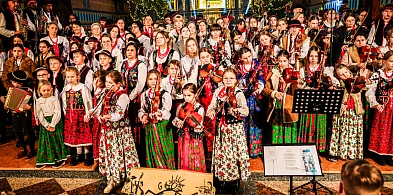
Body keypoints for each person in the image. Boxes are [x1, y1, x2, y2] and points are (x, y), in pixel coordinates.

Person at [86, 70, 140, 193]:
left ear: (118, 84)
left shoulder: (123, 96)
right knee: (111, 154)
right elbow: (99, 107)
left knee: (120, 154)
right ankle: (113, 178)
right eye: (107, 82)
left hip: (120, 132)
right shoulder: (106, 93)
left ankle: (125, 177)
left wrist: (107, 117)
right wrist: (91, 112)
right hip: (108, 131)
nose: (108, 85)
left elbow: (119, 115)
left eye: (111, 83)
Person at [206, 68, 250, 194]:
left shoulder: (238, 93)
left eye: (231, 78)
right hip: (222, 128)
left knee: (233, 155)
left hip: (234, 129)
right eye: (226, 78)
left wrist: (236, 111)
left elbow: (245, 111)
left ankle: (234, 181)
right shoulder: (219, 92)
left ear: (236, 80)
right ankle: (222, 180)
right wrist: (210, 111)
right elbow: (212, 106)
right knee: (222, 154)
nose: (228, 80)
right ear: (222, 80)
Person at [138, 69, 175, 169]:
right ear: (147, 81)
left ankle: (167, 169)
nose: (153, 81)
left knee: (163, 147)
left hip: (162, 125)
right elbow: (142, 109)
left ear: (159, 80)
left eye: (155, 79)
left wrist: (160, 113)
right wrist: (144, 116)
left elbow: (167, 111)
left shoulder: (165, 94)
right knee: (152, 148)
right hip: (150, 126)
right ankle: (154, 169)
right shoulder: (145, 95)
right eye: (150, 79)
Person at [262, 50, 299, 144]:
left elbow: (296, 92)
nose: (282, 63)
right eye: (280, 61)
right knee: (276, 128)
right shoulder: (273, 72)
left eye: (284, 61)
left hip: (289, 105)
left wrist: (295, 83)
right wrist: (274, 93)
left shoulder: (294, 72)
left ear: (288, 61)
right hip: (276, 106)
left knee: (289, 128)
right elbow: (264, 89)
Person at [329, 65, 364, 161]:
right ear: (338, 77)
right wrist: (340, 105)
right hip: (343, 113)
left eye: (346, 72)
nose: (345, 75)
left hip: (354, 112)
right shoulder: (338, 84)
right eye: (342, 75)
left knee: (353, 132)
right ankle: (338, 152)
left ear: (349, 71)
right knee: (341, 131)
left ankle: (352, 153)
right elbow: (335, 99)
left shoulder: (357, 81)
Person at [120, 40, 147, 165]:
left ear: (136, 51)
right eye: (128, 50)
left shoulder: (141, 65)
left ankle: (139, 153)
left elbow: (140, 84)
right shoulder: (123, 64)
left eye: (132, 50)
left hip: (135, 98)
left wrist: (130, 97)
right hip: (124, 97)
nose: (129, 52)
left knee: (136, 124)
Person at [236, 47, 265, 158]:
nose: (248, 59)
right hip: (244, 98)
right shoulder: (239, 67)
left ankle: (255, 150)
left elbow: (261, 79)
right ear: (241, 58)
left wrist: (259, 88)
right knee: (244, 123)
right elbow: (238, 82)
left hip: (255, 98)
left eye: (249, 56)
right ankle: (244, 149)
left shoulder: (256, 64)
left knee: (255, 122)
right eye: (245, 58)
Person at [62, 67, 93, 166]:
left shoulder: (82, 88)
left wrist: (88, 113)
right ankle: (76, 155)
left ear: (78, 77)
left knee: (83, 135)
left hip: (81, 115)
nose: (70, 79)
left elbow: (88, 101)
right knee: (73, 136)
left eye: (72, 76)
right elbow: (64, 102)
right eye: (68, 77)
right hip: (70, 116)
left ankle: (87, 155)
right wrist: (65, 113)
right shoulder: (65, 89)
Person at [367, 50, 393, 166]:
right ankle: (378, 154)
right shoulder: (377, 74)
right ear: (384, 61)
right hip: (382, 106)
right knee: (381, 129)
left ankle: (389, 154)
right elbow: (370, 92)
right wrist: (376, 104)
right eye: (391, 61)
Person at [35, 80, 68, 169]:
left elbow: (57, 112)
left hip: (55, 121)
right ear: (39, 91)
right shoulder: (38, 101)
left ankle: (59, 158)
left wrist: (52, 124)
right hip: (45, 122)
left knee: (55, 139)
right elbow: (39, 113)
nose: (46, 92)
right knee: (46, 140)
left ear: (51, 90)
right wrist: (46, 125)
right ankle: (44, 158)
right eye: (44, 90)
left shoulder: (54, 99)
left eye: (48, 90)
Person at [173, 83, 206, 172]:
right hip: (183, 136)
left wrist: (198, 127)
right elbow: (175, 119)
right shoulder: (181, 106)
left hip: (193, 137)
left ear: (195, 95)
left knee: (194, 156)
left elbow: (200, 123)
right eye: (184, 95)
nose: (186, 98)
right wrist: (178, 122)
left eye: (189, 95)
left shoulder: (199, 108)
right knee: (184, 156)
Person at [7, 70, 36, 159]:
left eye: (15, 82)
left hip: (25, 114)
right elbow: (9, 101)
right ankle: (23, 149)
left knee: (28, 131)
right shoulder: (11, 89)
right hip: (15, 114)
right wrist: (8, 104)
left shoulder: (28, 90)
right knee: (17, 131)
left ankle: (32, 149)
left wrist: (29, 106)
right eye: (12, 81)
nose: (13, 83)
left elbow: (31, 102)